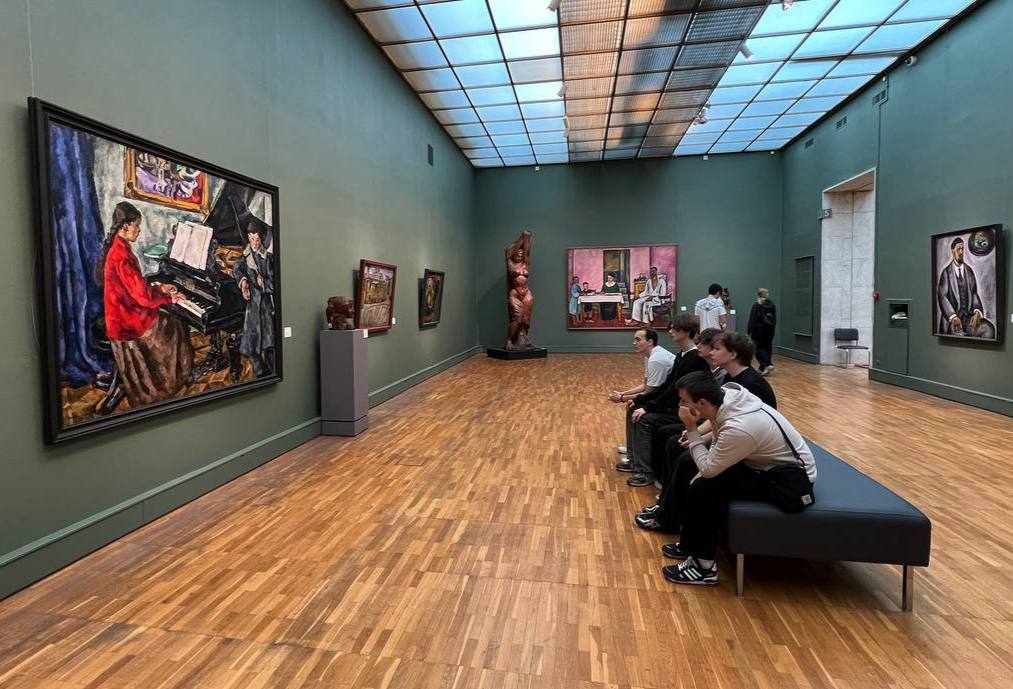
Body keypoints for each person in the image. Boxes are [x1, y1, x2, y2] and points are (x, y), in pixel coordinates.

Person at [658, 372, 816, 586]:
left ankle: (704, 568)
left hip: (787, 480)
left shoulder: (740, 427)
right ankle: (689, 544)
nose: (680, 405)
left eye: (684, 401)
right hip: (762, 465)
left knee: (704, 486)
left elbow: (707, 470)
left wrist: (691, 428)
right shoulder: (726, 396)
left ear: (702, 403)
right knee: (689, 464)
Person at [635, 330, 776, 532]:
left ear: (733, 354)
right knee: (676, 444)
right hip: (735, 436)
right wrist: (696, 433)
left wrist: (697, 435)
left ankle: (669, 517)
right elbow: (718, 416)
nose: (711, 353)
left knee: (685, 458)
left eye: (717, 349)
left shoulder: (750, 384)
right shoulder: (731, 378)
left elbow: (736, 426)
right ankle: (667, 506)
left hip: (749, 447)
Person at [97, 201, 192, 407]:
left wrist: (161, 288)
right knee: (174, 323)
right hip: (127, 320)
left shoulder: (117, 247)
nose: (139, 230)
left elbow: (137, 289)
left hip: (120, 312)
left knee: (170, 317)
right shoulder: (122, 256)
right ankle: (169, 380)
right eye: (137, 226)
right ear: (125, 226)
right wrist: (168, 297)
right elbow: (143, 298)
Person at [620, 315, 711, 487]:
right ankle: (635, 461)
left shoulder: (694, 359)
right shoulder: (682, 356)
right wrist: (641, 400)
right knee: (635, 407)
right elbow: (667, 386)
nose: (670, 331)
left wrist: (647, 407)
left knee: (644, 419)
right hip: (673, 404)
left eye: (674, 328)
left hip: (682, 409)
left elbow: (674, 393)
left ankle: (646, 471)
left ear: (686, 331)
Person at [610, 328, 675, 464]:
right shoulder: (650, 355)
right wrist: (623, 393)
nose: (634, 343)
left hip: (668, 403)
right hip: (659, 396)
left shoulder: (656, 359)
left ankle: (636, 459)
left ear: (650, 341)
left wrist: (622, 399)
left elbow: (649, 392)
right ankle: (632, 451)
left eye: (638, 340)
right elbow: (645, 385)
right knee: (632, 406)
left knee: (635, 410)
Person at [234, 219, 276, 377]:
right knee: (252, 339)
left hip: (265, 305)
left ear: (262, 239)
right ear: (248, 238)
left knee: (268, 339)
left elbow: (274, 283)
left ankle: (272, 368)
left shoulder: (268, 259)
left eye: (257, 239)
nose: (254, 243)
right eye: (251, 239)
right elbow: (237, 268)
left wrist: (263, 283)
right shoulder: (244, 257)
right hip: (252, 304)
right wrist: (243, 281)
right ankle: (258, 366)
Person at [937, 237, 991, 337]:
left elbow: (974, 293)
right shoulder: (946, 273)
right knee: (960, 336)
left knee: (988, 329)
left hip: (968, 319)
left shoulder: (969, 271)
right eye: (958, 249)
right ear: (952, 251)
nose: (961, 252)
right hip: (952, 321)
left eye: (962, 249)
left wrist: (977, 312)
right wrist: (953, 316)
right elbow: (942, 297)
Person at [505, 230, 535, 349]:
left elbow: (527, 251)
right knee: (517, 319)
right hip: (515, 294)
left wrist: (527, 238)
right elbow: (509, 252)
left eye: (522, 255)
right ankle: (509, 340)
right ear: (514, 254)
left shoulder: (525, 264)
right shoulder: (510, 263)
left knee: (526, 318)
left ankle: (523, 337)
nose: (520, 256)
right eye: (518, 253)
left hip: (526, 293)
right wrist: (523, 238)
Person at [747, 288, 777, 375]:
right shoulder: (772, 305)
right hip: (770, 329)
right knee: (767, 348)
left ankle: (768, 364)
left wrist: (749, 331)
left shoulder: (757, 305)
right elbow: (774, 318)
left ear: (758, 295)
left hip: (758, 330)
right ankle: (762, 368)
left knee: (757, 348)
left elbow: (752, 319)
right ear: (767, 295)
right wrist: (772, 327)